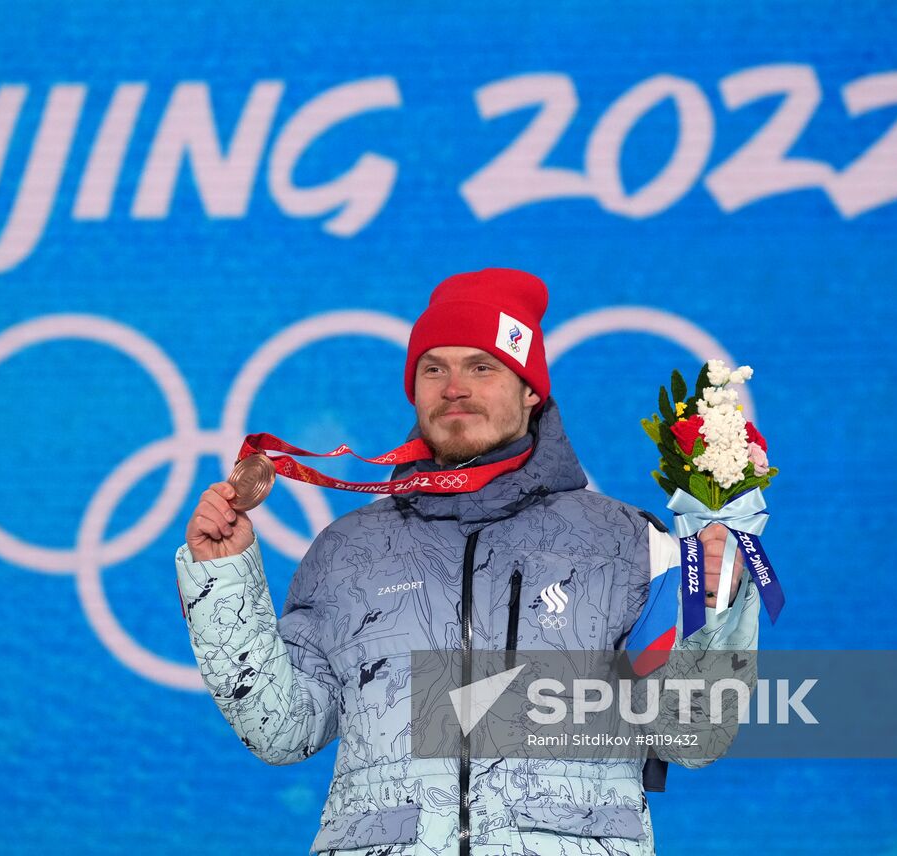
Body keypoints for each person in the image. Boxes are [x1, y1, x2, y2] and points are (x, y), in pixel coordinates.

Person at [175, 268, 759, 855]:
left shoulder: (626, 543)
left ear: (531, 391)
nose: (455, 386)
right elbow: (284, 730)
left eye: (482, 367)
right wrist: (224, 581)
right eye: (435, 368)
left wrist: (718, 607)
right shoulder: (347, 552)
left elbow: (693, 734)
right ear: (415, 390)